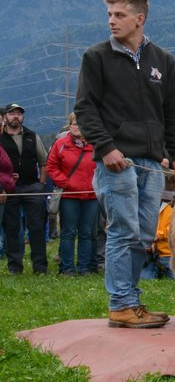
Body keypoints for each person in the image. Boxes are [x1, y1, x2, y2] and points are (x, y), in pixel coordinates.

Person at [74, 0, 175, 328]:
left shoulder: (163, 60)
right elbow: (85, 108)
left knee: (146, 235)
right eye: (109, 14)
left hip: (152, 164)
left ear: (140, 18)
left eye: (119, 15)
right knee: (123, 230)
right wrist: (106, 147)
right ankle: (121, 304)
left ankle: (131, 300)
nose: (111, 20)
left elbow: (172, 112)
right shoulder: (96, 57)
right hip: (116, 161)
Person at [45, 113, 100, 276]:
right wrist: (66, 183)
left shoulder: (96, 146)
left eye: (81, 123)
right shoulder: (60, 144)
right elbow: (51, 166)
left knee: (87, 233)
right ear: (70, 126)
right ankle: (67, 268)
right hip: (69, 196)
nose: (78, 126)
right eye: (75, 123)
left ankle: (84, 268)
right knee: (68, 232)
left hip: (91, 196)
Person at [1, 102, 49, 274]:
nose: (16, 116)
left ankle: (40, 266)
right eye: (12, 113)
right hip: (10, 190)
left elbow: (44, 162)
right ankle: (15, 266)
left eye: (19, 113)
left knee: (37, 228)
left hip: (33, 187)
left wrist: (42, 184)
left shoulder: (32, 136)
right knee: (12, 228)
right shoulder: (0, 137)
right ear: (5, 117)